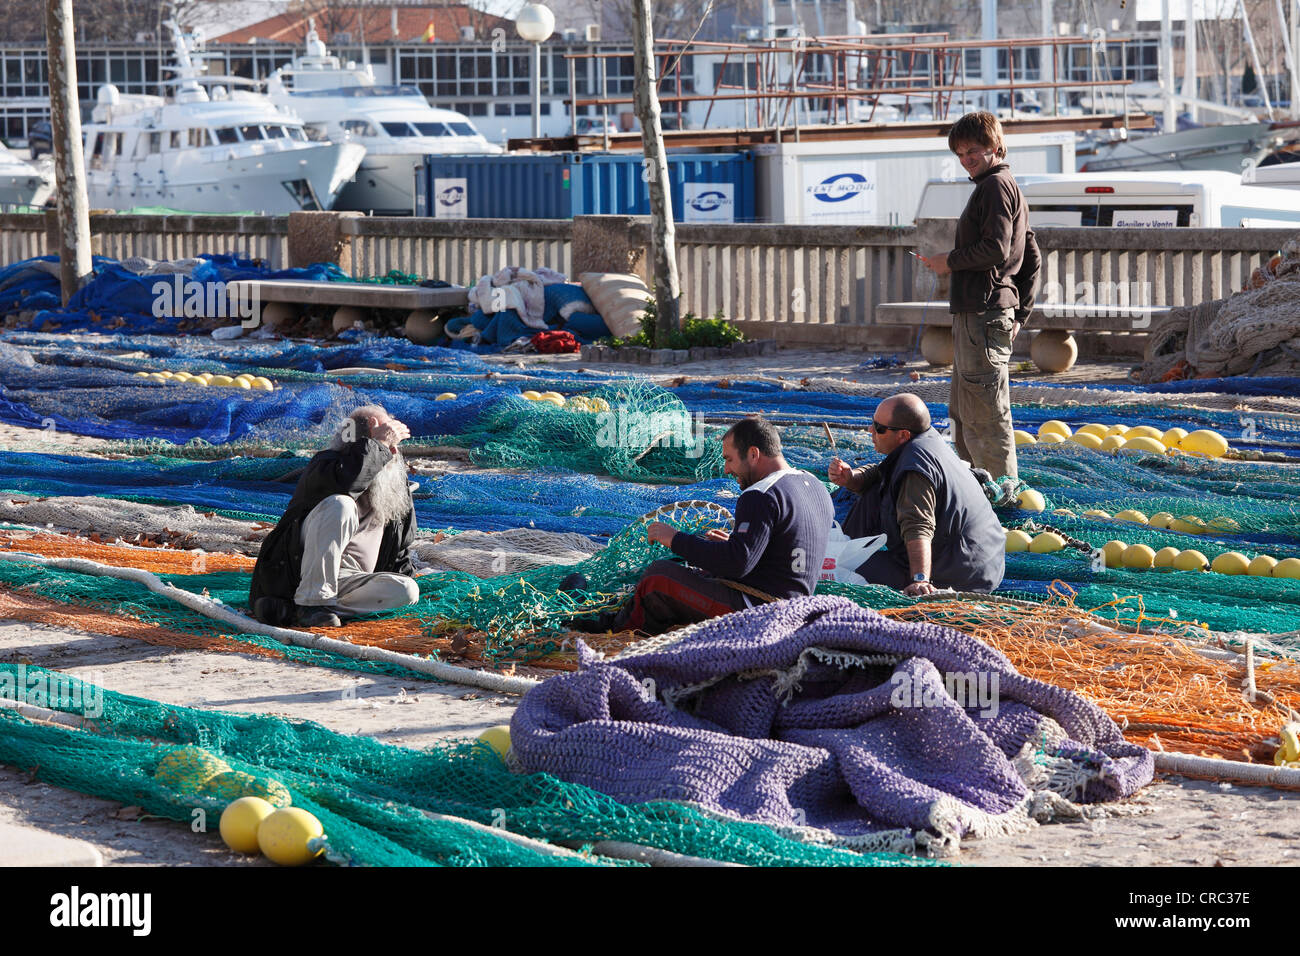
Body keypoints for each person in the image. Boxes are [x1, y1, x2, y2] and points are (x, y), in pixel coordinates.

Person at [570, 417, 834, 635]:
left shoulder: (760, 494)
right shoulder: (814, 485)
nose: (727, 470)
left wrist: (674, 538)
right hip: (795, 607)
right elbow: (787, 548)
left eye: (730, 459)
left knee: (658, 578)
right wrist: (735, 544)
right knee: (696, 563)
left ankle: (612, 631)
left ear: (753, 454)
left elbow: (737, 564)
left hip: (760, 612)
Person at [922, 110, 1040, 481]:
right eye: (959, 154)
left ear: (995, 146)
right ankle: (976, 493)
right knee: (962, 414)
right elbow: (1032, 254)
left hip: (984, 313)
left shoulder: (994, 186)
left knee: (984, 417)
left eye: (973, 151)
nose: (966, 161)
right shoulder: (1004, 186)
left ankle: (1001, 500)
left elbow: (996, 250)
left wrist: (949, 261)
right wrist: (1021, 315)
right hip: (983, 315)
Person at [250, 405, 421, 628]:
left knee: (407, 590)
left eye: (393, 447)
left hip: (351, 583)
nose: (393, 454)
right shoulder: (325, 466)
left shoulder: (398, 489)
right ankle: (313, 603)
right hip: (300, 576)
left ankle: (293, 609)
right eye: (388, 446)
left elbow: (400, 554)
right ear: (362, 443)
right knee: (341, 505)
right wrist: (379, 444)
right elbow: (349, 483)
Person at [828, 393, 1005, 596]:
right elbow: (881, 472)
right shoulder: (927, 441)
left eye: (879, 428)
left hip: (961, 573)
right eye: (872, 423)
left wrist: (920, 579)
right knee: (874, 492)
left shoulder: (914, 472)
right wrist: (852, 478)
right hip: (984, 561)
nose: (871, 430)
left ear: (903, 435)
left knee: (840, 566)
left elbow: (918, 526)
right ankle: (851, 545)